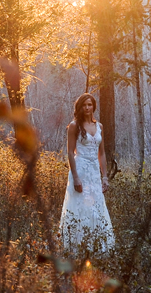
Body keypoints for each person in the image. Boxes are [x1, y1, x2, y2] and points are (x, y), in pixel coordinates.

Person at [59, 93, 115, 253]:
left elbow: (102, 153)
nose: (87, 108)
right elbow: (70, 152)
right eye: (84, 105)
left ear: (93, 106)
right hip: (80, 169)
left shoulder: (100, 127)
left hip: (94, 173)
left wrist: (105, 177)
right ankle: (77, 248)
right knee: (80, 206)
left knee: (96, 206)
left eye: (90, 104)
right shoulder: (74, 126)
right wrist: (76, 177)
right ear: (80, 107)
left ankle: (97, 246)